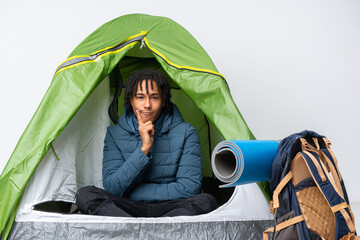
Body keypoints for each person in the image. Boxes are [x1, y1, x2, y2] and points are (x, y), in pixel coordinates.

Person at [75, 69, 218, 217]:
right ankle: (148, 230)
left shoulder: (187, 132)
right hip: (128, 208)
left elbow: (189, 188)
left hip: (171, 207)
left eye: (154, 97)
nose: (147, 105)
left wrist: (134, 192)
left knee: (206, 201)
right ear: (131, 100)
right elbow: (112, 188)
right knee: (86, 195)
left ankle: (137, 231)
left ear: (163, 101)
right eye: (140, 97)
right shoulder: (115, 134)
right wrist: (144, 149)